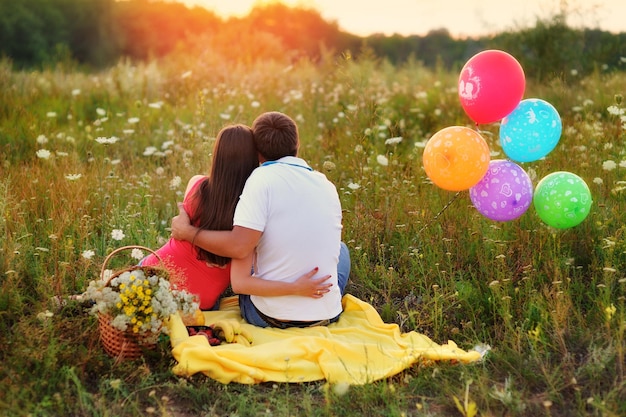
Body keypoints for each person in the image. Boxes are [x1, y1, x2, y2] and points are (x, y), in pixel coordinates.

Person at [171, 111, 350, 327]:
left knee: (257, 252)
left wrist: (188, 232)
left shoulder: (259, 180)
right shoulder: (326, 184)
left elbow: (239, 251)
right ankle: (320, 301)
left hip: (268, 317)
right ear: (297, 144)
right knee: (341, 250)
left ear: (257, 152)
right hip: (324, 314)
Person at [141, 124, 259, 310]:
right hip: (196, 301)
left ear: (218, 156)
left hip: (153, 272)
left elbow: (179, 228)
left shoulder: (197, 185)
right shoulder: (253, 210)